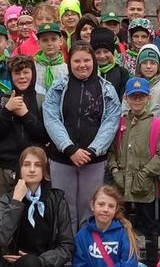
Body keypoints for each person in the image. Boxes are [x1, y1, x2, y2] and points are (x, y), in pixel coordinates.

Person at [42, 42, 122, 224]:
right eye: (77, 61)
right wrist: (69, 148)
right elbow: (51, 118)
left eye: (86, 60)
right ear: (70, 63)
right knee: (63, 208)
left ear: (93, 61)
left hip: (93, 159)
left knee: (90, 207)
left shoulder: (107, 89)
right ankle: (66, 249)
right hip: (62, 158)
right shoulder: (58, 87)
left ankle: (87, 249)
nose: (82, 65)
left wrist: (94, 150)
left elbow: (111, 121)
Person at [110, 77, 160, 263]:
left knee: (150, 226)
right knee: (120, 225)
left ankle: (151, 266)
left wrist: (144, 173)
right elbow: (111, 151)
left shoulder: (156, 124)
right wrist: (115, 171)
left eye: (141, 96)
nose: (137, 100)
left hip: (145, 187)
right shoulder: (119, 124)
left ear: (148, 98)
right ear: (126, 98)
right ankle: (123, 262)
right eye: (133, 96)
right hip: (121, 185)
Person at [0, 56, 49, 199]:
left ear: (33, 74)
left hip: (32, 167)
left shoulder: (41, 99)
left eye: (26, 72)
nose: (22, 77)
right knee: (4, 210)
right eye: (17, 73)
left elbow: (44, 135)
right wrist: (7, 110)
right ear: (11, 76)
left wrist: (25, 114)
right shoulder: (2, 98)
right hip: (4, 166)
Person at [91, 27, 129, 98]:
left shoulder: (122, 73)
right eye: (97, 52)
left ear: (112, 52)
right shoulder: (89, 73)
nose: (102, 56)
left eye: (106, 51)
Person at [33, 22, 68, 96]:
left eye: (54, 39)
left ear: (61, 41)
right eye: (45, 40)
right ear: (38, 43)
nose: (49, 43)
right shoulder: (33, 66)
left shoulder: (66, 69)